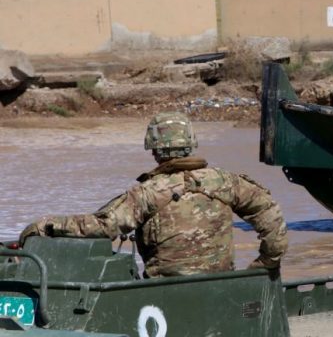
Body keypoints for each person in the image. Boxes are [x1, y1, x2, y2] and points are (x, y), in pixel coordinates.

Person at [19, 112, 288, 278]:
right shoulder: (226, 182)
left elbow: (102, 227)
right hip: (219, 286)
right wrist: (266, 263)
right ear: (191, 143)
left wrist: (46, 225)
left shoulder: (147, 193)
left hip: (166, 293)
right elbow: (269, 213)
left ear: (154, 150)